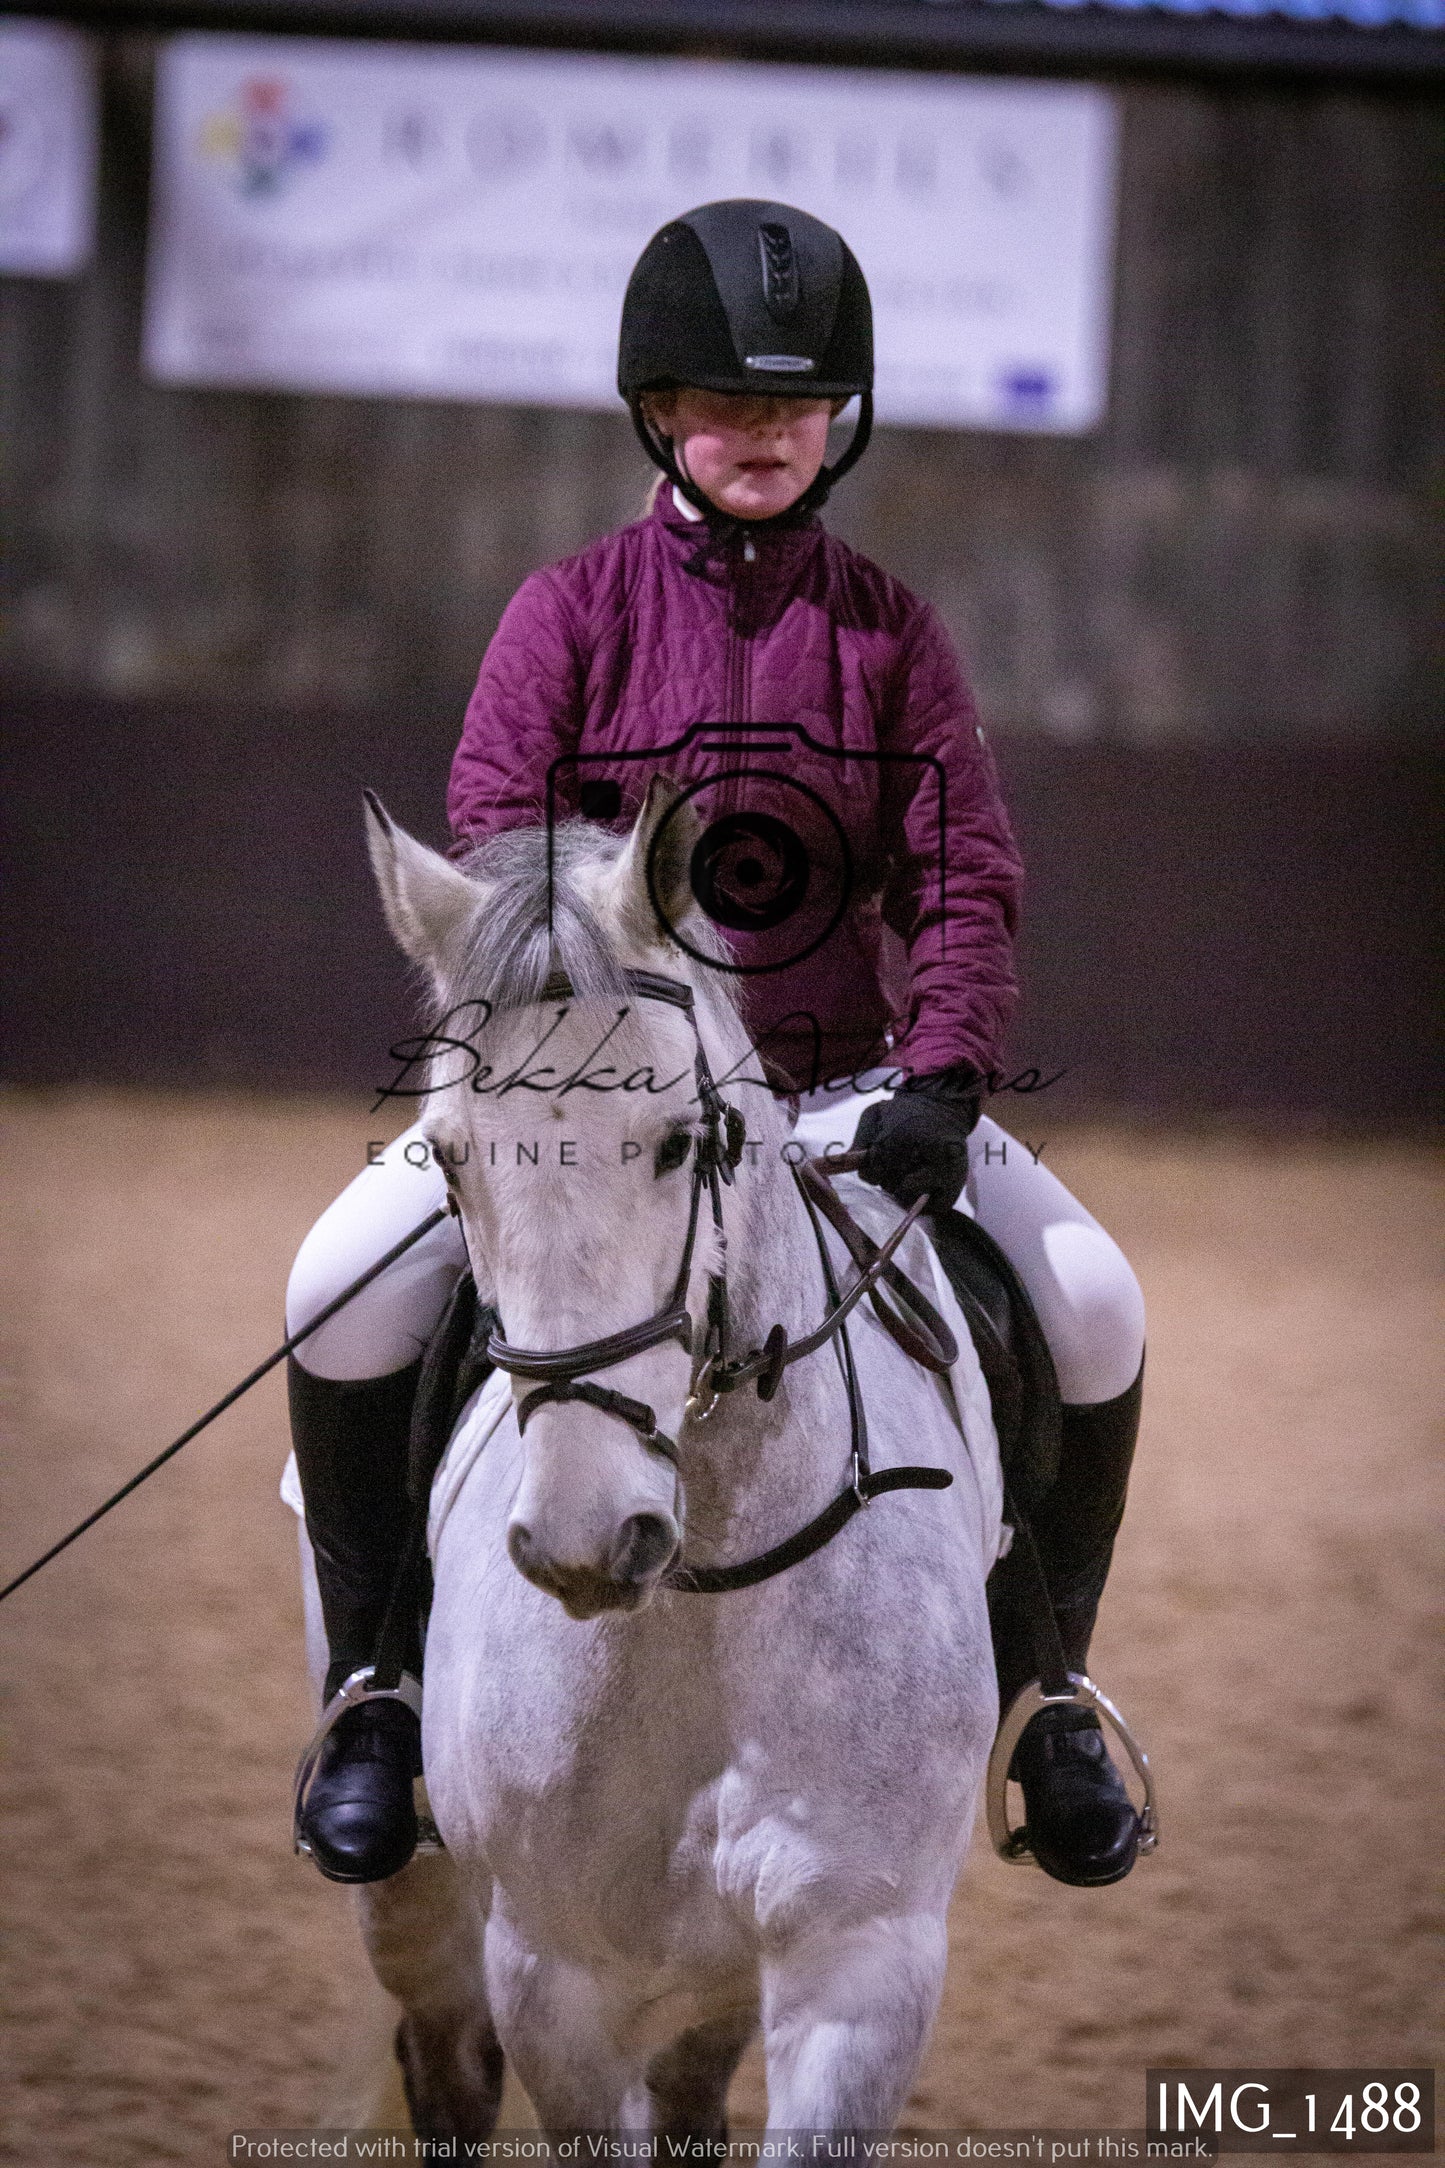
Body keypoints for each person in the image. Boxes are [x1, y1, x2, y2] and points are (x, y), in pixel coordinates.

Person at [286, 199, 1148, 1892]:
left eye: (795, 405)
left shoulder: (890, 631)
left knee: (1096, 1302)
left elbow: (965, 867)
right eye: (725, 403)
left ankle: (1046, 1693)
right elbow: (501, 845)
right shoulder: (569, 613)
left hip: (841, 1095)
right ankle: (375, 1686)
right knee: (339, 1283)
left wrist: (945, 1066)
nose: (762, 434)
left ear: (841, 421)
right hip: (599, 1102)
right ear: (657, 413)